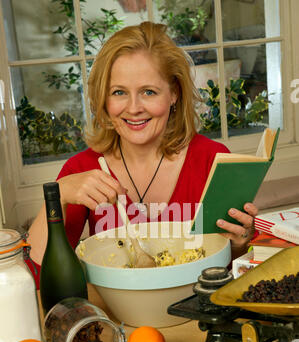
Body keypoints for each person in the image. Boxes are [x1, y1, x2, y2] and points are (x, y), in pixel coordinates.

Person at [27, 21, 258, 286]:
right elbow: (37, 274)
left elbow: (225, 263)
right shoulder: (81, 169)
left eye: (148, 91)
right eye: (119, 92)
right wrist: (59, 194)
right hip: (116, 318)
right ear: (103, 99)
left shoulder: (213, 160)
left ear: (174, 93)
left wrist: (239, 244)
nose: (134, 108)